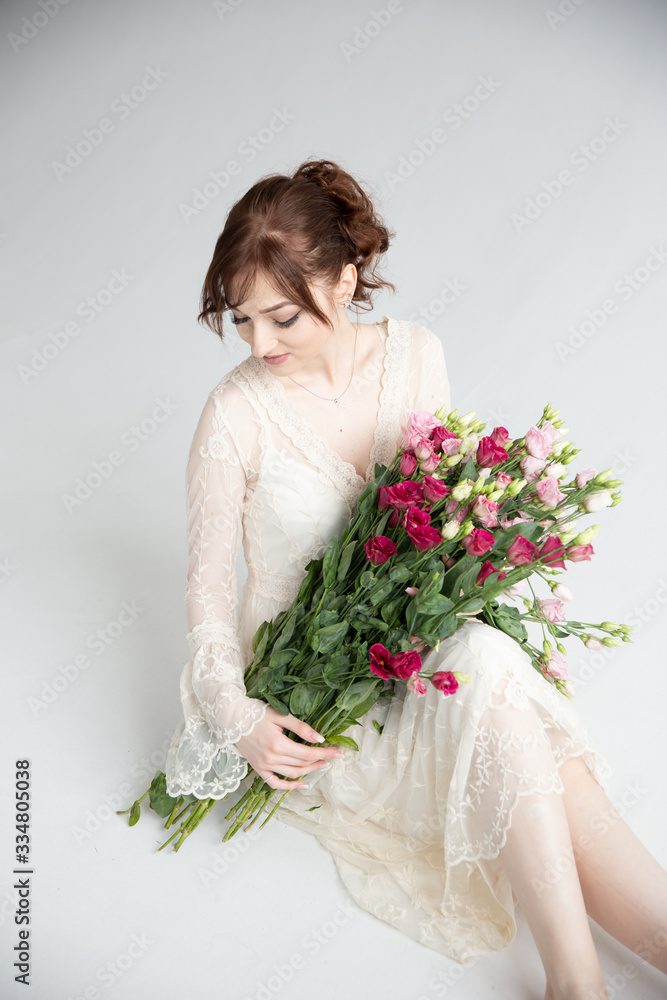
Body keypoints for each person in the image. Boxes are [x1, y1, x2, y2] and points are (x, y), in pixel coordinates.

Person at [165, 157, 667, 999]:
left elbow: (431, 520)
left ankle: (576, 985)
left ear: (345, 279)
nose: (258, 345)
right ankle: (576, 984)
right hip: (320, 698)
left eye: (281, 317)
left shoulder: (416, 356)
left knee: (498, 683)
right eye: (241, 319)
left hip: (418, 648)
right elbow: (207, 591)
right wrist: (238, 717)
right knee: (514, 715)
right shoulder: (234, 413)